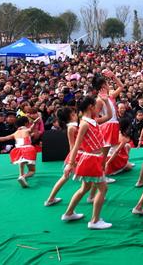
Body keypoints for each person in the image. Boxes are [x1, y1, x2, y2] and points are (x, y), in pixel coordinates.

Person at [61, 96, 111, 230]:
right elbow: (76, 145)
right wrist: (70, 163)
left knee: (85, 188)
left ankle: (69, 213)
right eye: (95, 106)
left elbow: (110, 116)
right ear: (90, 107)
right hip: (91, 159)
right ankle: (94, 221)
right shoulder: (84, 124)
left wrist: (106, 101)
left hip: (94, 158)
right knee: (103, 188)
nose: (97, 109)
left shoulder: (92, 121)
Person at [0, 116, 37, 187]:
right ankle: (23, 177)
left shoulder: (15, 133)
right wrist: (35, 123)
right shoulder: (26, 130)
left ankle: (20, 175)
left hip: (19, 150)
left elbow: (5, 138)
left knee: (21, 162)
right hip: (28, 149)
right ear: (26, 123)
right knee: (32, 171)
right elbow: (31, 129)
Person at [44, 106, 78, 207]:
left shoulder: (73, 126)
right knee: (66, 177)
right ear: (71, 116)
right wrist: (72, 161)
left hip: (78, 154)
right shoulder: (72, 127)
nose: (76, 115)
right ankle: (51, 199)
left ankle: (51, 199)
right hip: (77, 155)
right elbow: (72, 145)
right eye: (74, 113)